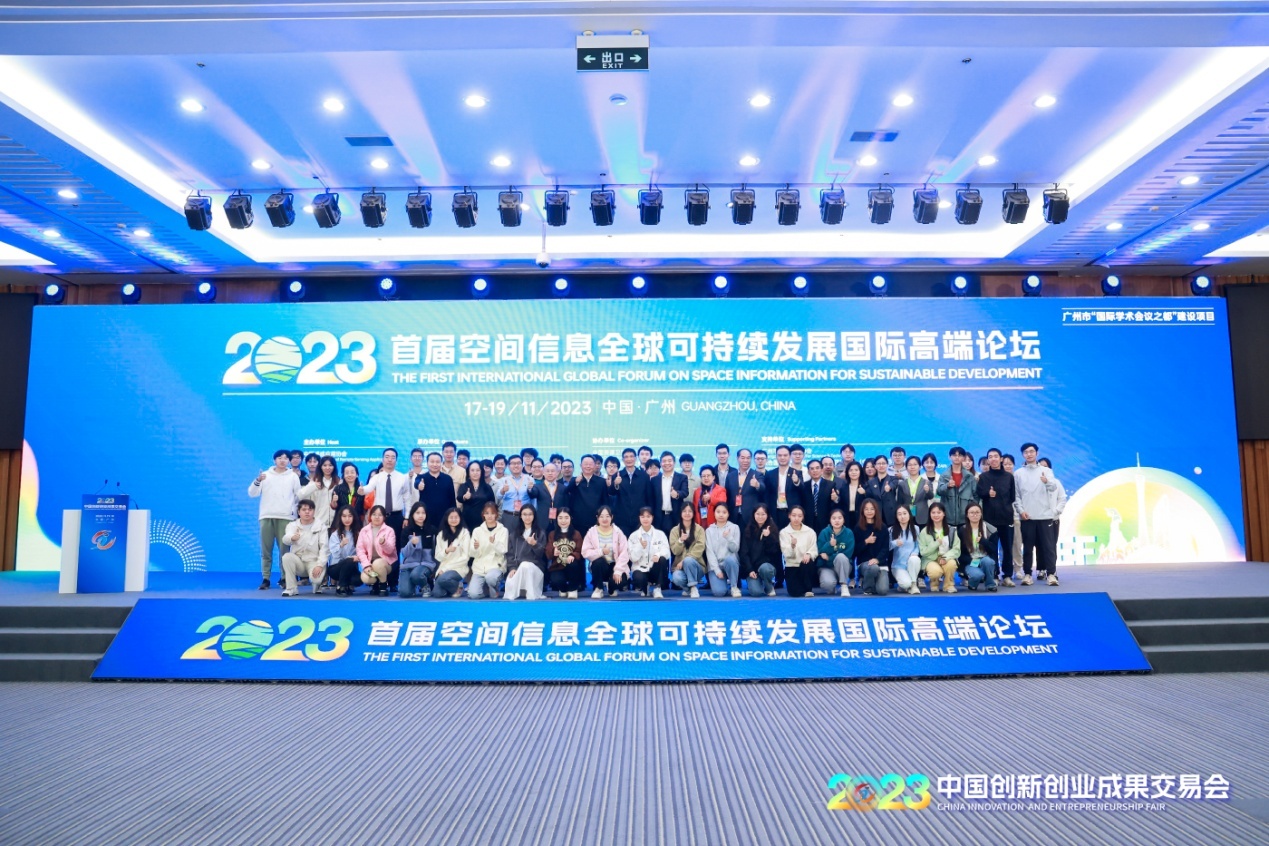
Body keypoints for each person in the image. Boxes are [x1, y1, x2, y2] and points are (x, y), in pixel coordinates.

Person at [249, 449, 301, 590]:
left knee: (285, 550)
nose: (282, 460)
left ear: (289, 461)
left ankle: (285, 578)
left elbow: (298, 496)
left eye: (285, 458)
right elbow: (252, 493)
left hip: (286, 518)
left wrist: (293, 513)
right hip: (266, 516)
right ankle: (266, 578)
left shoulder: (293, 476)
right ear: (274, 460)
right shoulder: (265, 475)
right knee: (266, 550)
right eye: (279, 458)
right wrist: (258, 480)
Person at [1014, 442, 1061, 586]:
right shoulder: (1018, 473)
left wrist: (1047, 482)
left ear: (1037, 453)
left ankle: (1051, 574)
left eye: (1031, 451)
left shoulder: (1046, 471)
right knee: (1028, 548)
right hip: (1027, 517)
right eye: (1026, 452)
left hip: (1045, 516)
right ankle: (1028, 574)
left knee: (1048, 547)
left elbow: (1053, 488)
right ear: (1023, 455)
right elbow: (1017, 495)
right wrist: (1021, 511)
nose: (1029, 454)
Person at [975, 448, 1017, 587]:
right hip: (990, 519)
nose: (993, 459)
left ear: (1001, 459)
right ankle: (994, 575)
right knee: (991, 548)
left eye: (995, 456)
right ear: (988, 460)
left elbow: (1012, 497)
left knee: (1007, 548)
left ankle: (1007, 576)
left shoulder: (1009, 477)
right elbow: (980, 493)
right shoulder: (983, 477)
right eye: (990, 457)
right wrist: (988, 494)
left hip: (1006, 518)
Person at [280, 499, 327, 597]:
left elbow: (324, 547)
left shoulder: (321, 526)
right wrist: (292, 538)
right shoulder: (292, 525)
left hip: (314, 561)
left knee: (316, 579)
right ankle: (291, 588)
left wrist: (320, 565)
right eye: (304, 509)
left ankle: (317, 585)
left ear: (314, 511)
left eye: (310, 509)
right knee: (286, 557)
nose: (307, 512)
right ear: (298, 512)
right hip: (299, 562)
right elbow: (285, 539)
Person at [582, 505, 630, 598]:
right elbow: (585, 552)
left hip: (615, 565)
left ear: (612, 517)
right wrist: (601, 552)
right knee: (598, 561)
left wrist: (618, 571)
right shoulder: (591, 532)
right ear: (597, 518)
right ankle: (598, 588)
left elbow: (625, 552)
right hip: (600, 566)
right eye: (602, 516)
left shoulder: (618, 532)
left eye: (607, 516)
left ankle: (611, 588)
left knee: (622, 581)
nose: (605, 519)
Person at [361, 448, 410, 533]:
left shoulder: (402, 478)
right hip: (379, 516)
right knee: (378, 540)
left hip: (397, 517)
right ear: (382, 459)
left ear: (396, 461)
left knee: (396, 540)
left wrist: (407, 517)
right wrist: (362, 490)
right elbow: (368, 488)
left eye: (393, 457)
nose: (390, 460)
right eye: (387, 457)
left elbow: (407, 499)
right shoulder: (376, 477)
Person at [504, 504, 548, 600]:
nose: (527, 517)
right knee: (510, 584)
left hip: (535, 568)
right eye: (524, 514)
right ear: (520, 516)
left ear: (534, 516)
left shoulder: (540, 533)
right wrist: (512, 568)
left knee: (526, 565)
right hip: (518, 568)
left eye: (530, 514)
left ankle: (531, 595)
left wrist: (534, 544)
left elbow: (542, 554)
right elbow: (510, 554)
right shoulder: (514, 535)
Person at [627, 507, 671, 598]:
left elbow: (667, 551)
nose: (645, 519)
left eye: (648, 516)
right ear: (639, 518)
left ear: (652, 517)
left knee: (662, 559)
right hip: (640, 569)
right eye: (643, 517)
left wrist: (658, 555)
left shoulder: (660, 534)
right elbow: (632, 558)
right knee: (638, 578)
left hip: (654, 568)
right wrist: (640, 547)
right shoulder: (633, 536)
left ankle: (657, 588)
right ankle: (645, 588)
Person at [468, 502, 508, 598]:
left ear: (496, 514)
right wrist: (475, 548)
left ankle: (494, 589)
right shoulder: (477, 531)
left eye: (492, 513)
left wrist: (494, 543)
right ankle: (485, 590)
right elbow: (472, 553)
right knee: (473, 594)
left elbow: (503, 550)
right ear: (483, 514)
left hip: (496, 566)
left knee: (491, 578)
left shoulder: (503, 530)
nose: (489, 516)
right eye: (487, 513)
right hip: (479, 568)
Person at [398, 502, 438, 598]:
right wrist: (412, 544)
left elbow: (437, 551)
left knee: (417, 575)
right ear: (412, 514)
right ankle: (413, 584)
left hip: (426, 565)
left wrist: (436, 568)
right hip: (409, 566)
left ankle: (425, 585)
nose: (421, 515)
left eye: (423, 513)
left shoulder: (432, 530)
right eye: (417, 513)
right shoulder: (406, 531)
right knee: (404, 593)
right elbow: (404, 554)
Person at [919, 502, 961, 594]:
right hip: (930, 560)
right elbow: (923, 552)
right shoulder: (924, 531)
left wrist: (945, 557)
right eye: (933, 512)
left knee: (951, 564)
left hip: (946, 558)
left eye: (939, 512)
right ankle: (934, 583)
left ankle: (949, 585)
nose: (936, 515)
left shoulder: (951, 530)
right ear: (930, 514)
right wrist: (936, 543)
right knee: (935, 572)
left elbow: (956, 549)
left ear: (944, 514)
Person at [610, 447, 653, 535]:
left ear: (635, 458)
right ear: (623, 459)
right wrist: (616, 484)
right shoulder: (617, 475)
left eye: (631, 456)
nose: (629, 459)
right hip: (621, 519)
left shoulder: (644, 476)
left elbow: (649, 497)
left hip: (640, 518)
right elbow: (611, 492)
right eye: (626, 457)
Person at [703, 503, 743, 597]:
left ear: (728, 514)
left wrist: (729, 537)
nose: (721, 515)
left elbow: (735, 549)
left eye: (724, 512)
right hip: (716, 565)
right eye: (718, 512)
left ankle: (734, 587)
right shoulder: (709, 531)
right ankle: (724, 586)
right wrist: (717, 570)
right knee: (719, 593)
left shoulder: (734, 528)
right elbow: (709, 552)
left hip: (730, 563)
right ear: (714, 513)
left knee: (730, 560)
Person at [356, 505, 397, 596]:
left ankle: (383, 585)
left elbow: (390, 551)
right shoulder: (364, 530)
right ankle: (375, 584)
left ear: (384, 517)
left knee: (377, 564)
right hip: (370, 563)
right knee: (366, 578)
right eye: (374, 514)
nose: (377, 517)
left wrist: (384, 543)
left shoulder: (389, 531)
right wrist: (366, 565)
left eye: (380, 515)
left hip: (386, 562)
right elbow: (360, 550)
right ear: (370, 516)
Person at [779, 506, 818, 597]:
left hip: (806, 565)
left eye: (799, 516)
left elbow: (814, 550)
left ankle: (808, 588)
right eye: (794, 515)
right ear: (789, 516)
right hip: (792, 565)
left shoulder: (810, 532)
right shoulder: (784, 532)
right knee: (795, 593)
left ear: (803, 517)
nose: (796, 518)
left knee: (807, 564)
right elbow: (786, 554)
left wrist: (809, 554)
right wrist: (792, 546)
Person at [958, 502, 999, 592]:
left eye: (977, 512)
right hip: (970, 561)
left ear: (981, 514)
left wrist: (983, 541)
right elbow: (959, 553)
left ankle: (990, 584)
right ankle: (972, 584)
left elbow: (993, 549)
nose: (975, 515)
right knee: (977, 575)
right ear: (967, 515)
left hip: (985, 558)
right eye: (972, 513)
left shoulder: (990, 529)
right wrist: (971, 561)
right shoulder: (962, 530)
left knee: (988, 561)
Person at [740, 504, 779, 597]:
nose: (760, 517)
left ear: (767, 515)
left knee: (765, 569)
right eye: (758, 514)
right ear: (753, 514)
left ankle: (769, 586)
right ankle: (758, 583)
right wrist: (750, 570)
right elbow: (744, 553)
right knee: (756, 592)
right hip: (753, 569)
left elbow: (774, 552)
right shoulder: (747, 530)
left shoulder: (773, 529)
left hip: (766, 566)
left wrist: (768, 537)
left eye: (763, 514)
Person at [669, 503, 707, 597]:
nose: (687, 513)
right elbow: (675, 551)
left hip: (697, 566)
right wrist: (680, 540)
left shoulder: (699, 530)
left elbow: (700, 547)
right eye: (684, 511)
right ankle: (689, 589)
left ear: (693, 513)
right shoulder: (674, 531)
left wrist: (684, 560)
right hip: (680, 568)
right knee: (676, 577)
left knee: (688, 560)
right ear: (680, 513)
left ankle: (693, 586)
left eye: (690, 511)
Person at [546, 508, 586, 598]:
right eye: (560, 518)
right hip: (558, 566)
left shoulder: (576, 534)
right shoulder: (552, 534)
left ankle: (573, 589)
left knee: (573, 564)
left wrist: (573, 555)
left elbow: (580, 550)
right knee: (556, 580)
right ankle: (563, 589)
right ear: (556, 519)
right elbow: (548, 551)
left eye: (566, 517)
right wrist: (553, 551)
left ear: (571, 518)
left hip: (572, 566)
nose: (563, 521)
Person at [432, 508, 471, 598]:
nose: (454, 520)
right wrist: (446, 551)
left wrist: (445, 569)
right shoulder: (441, 534)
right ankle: (453, 587)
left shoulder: (465, 533)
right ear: (447, 518)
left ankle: (456, 586)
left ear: (460, 518)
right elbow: (438, 556)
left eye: (456, 517)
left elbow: (465, 557)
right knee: (437, 593)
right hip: (443, 568)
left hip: (458, 567)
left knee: (443, 579)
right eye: (451, 517)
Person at [816, 507, 856, 596]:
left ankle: (844, 585)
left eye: (839, 518)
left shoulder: (849, 533)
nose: (837, 521)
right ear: (830, 520)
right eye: (834, 518)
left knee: (841, 556)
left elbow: (848, 554)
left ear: (844, 520)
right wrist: (829, 545)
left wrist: (829, 557)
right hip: (827, 567)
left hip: (843, 566)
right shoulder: (824, 532)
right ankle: (833, 587)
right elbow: (820, 551)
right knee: (828, 585)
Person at [853, 498, 889, 593]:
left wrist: (877, 559)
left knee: (883, 590)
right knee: (873, 567)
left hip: (880, 563)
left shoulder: (883, 527)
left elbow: (885, 548)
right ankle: (867, 588)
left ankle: (871, 581)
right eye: (866, 509)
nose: (869, 511)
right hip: (864, 564)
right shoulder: (858, 528)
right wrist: (866, 542)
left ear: (876, 510)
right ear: (862, 511)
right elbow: (855, 550)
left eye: (872, 509)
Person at [415, 451, 457, 531]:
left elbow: (452, 500)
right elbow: (416, 483)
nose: (435, 464)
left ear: (441, 463)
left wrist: (454, 515)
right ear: (427, 463)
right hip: (427, 518)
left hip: (445, 518)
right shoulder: (421, 477)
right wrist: (419, 485)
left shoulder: (448, 479)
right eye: (432, 462)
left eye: (437, 462)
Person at [937, 446, 977, 529]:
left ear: (963, 458)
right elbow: (939, 491)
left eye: (960, 455)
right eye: (954, 455)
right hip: (948, 518)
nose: (957, 457)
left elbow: (976, 495)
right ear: (950, 457)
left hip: (966, 518)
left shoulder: (970, 477)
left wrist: (972, 512)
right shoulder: (944, 476)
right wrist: (947, 486)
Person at [765, 445, 803, 530]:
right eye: (780, 455)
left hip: (791, 513)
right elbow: (766, 495)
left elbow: (803, 490)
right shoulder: (770, 474)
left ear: (789, 456)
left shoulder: (796, 472)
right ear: (776, 456)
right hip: (775, 512)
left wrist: (796, 481)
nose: (782, 458)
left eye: (785, 455)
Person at [567, 456, 606, 538]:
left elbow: (605, 501)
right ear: (581, 465)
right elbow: (567, 492)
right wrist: (575, 482)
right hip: (578, 521)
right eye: (585, 464)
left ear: (595, 465)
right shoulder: (574, 480)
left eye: (590, 464)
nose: (588, 466)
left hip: (596, 521)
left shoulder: (601, 481)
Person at [327, 505, 361, 596]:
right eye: (344, 516)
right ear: (340, 517)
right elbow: (334, 555)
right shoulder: (335, 534)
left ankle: (347, 584)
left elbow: (361, 552)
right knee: (349, 560)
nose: (347, 519)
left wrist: (358, 557)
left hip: (351, 567)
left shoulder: (358, 534)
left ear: (354, 517)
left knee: (359, 580)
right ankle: (341, 587)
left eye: (350, 516)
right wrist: (341, 545)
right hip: (336, 567)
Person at [651, 451, 688, 536]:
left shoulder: (682, 477)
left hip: (675, 516)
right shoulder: (654, 480)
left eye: (669, 461)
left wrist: (677, 494)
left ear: (674, 462)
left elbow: (685, 492)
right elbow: (651, 499)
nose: (667, 463)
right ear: (661, 463)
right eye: (664, 461)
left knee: (676, 540)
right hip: (659, 516)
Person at [888, 504, 922, 595]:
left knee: (915, 559)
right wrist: (895, 543)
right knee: (906, 584)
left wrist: (915, 553)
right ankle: (904, 586)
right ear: (896, 516)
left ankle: (913, 584)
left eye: (904, 513)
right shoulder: (891, 530)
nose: (902, 516)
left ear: (909, 514)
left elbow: (918, 545)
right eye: (899, 514)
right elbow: (887, 547)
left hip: (911, 563)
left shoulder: (916, 529)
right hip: (898, 566)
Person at [495, 455, 534, 535]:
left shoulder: (529, 479)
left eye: (518, 463)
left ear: (522, 465)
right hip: (509, 516)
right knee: (508, 540)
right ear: (508, 466)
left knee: (525, 539)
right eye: (513, 463)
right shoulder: (503, 480)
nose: (516, 465)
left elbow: (533, 499)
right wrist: (503, 490)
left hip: (525, 516)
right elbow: (498, 496)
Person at [299, 455, 339, 531]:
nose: (327, 468)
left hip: (336, 523)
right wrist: (313, 486)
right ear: (320, 467)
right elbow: (300, 495)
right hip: (318, 522)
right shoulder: (315, 481)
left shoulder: (338, 481)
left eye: (330, 465)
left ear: (334, 467)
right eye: (325, 465)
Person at [529, 460, 569, 533]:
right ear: (543, 473)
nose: (550, 473)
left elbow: (566, 505)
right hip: (542, 522)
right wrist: (529, 489)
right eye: (547, 471)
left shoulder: (563, 488)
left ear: (557, 473)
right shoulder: (538, 487)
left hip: (559, 522)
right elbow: (532, 494)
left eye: (552, 471)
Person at [897, 456, 936, 526]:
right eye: (910, 465)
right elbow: (900, 502)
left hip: (922, 515)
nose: (912, 467)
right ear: (906, 468)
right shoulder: (902, 484)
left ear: (920, 467)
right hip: (906, 515)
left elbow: (931, 497)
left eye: (915, 464)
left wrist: (927, 490)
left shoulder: (926, 482)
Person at [457, 460, 496, 531]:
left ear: (481, 472)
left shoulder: (487, 487)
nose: (475, 473)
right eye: (472, 470)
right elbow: (459, 498)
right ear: (468, 472)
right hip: (467, 521)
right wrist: (464, 497)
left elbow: (492, 503)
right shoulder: (464, 486)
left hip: (484, 521)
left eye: (478, 470)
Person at [733, 448, 767, 527]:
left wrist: (757, 485)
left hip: (750, 517)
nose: (745, 460)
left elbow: (762, 488)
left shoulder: (757, 475)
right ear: (737, 458)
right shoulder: (731, 476)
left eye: (748, 458)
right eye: (743, 458)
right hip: (734, 516)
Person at [801, 459, 835, 534]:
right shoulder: (804, 486)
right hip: (808, 522)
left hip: (825, 521)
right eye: (812, 469)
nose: (815, 471)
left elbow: (834, 503)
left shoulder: (830, 485)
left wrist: (836, 499)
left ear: (822, 470)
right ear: (808, 472)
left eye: (817, 468)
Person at [865, 456, 901, 526]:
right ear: (875, 466)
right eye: (879, 463)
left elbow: (894, 484)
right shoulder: (871, 482)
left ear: (887, 465)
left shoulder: (893, 479)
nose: (881, 466)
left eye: (883, 463)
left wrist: (889, 487)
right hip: (877, 514)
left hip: (891, 514)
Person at [833, 461, 868, 531]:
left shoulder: (866, 486)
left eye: (856, 470)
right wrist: (836, 499)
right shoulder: (843, 487)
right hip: (847, 518)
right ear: (847, 473)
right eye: (851, 470)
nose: (853, 472)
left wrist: (865, 493)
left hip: (862, 518)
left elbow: (872, 501)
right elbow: (841, 503)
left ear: (860, 472)